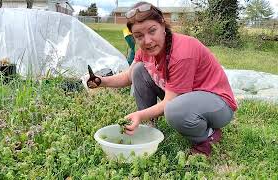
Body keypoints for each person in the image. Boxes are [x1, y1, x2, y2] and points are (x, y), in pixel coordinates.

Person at [87, 1, 237, 157]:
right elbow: (128, 76)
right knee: (138, 70)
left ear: (163, 26)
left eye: (152, 31)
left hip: (218, 106)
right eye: (139, 36)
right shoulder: (145, 50)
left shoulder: (182, 52)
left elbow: (169, 102)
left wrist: (139, 115)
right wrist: (101, 81)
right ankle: (149, 128)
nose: (147, 41)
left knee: (173, 110)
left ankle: (208, 136)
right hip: (188, 98)